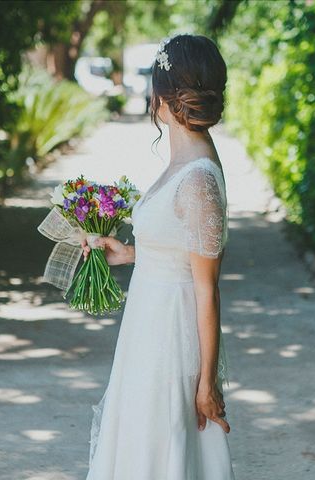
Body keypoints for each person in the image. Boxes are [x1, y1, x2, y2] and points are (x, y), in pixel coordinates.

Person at [81, 33, 235, 480]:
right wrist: (130, 253)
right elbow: (179, 251)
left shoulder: (199, 179)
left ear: (163, 97)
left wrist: (205, 384)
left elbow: (207, 289)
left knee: (164, 447)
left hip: (171, 337)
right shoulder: (184, 161)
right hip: (146, 330)